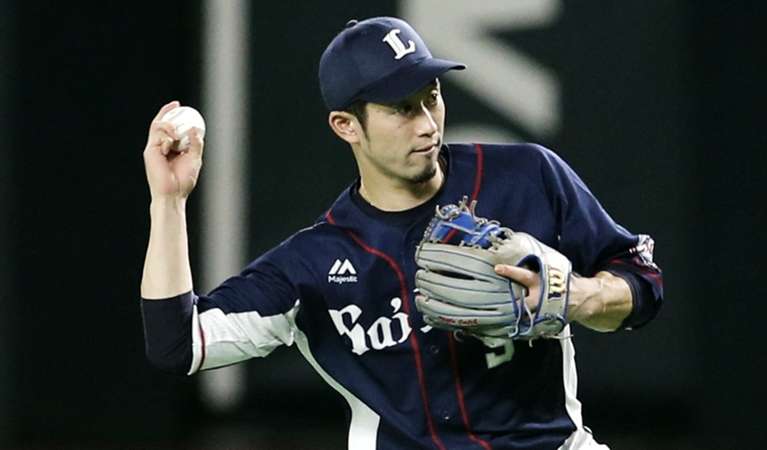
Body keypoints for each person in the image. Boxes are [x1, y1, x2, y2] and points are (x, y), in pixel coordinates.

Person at [140, 16, 663, 450]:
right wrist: (169, 202)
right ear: (347, 125)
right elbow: (177, 344)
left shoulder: (527, 177)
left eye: (431, 96)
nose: (428, 124)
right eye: (401, 109)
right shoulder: (315, 264)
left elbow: (642, 284)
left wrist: (578, 296)